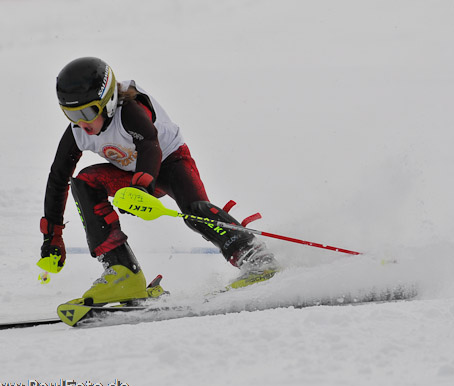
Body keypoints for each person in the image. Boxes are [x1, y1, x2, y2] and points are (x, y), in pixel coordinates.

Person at [39, 57, 277, 306]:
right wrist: (52, 236)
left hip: (170, 162)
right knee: (85, 182)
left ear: (108, 102)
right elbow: (58, 178)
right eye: (70, 114)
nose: (81, 123)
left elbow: (150, 144)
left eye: (87, 112)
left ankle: (257, 259)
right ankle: (122, 272)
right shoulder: (78, 130)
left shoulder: (130, 110)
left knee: (196, 212)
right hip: (133, 173)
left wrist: (141, 187)